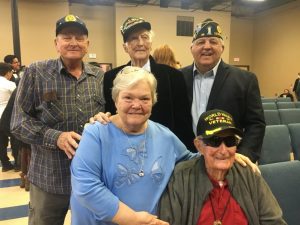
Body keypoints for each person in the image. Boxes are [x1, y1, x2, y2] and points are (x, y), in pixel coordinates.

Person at [71, 67, 258, 225]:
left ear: (153, 101)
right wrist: (134, 219)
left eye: (144, 98)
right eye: (128, 97)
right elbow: (86, 187)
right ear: (115, 100)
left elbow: (191, 160)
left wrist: (225, 153)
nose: (137, 105)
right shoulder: (96, 133)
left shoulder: (164, 135)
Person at [11, 14, 105, 225]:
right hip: (49, 180)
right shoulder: (36, 73)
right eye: (66, 37)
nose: (73, 42)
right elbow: (18, 122)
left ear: (87, 44)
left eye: (80, 37)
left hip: (91, 179)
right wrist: (56, 137)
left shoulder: (99, 77)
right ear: (56, 43)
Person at [159, 109, 287, 225]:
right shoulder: (181, 177)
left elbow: (274, 221)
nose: (224, 150)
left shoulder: (248, 173)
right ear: (199, 146)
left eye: (230, 141)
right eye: (215, 141)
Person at [103, 17, 195, 151]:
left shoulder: (173, 76)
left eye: (145, 37)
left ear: (151, 43)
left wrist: (185, 157)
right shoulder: (111, 77)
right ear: (125, 47)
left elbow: (183, 122)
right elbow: (110, 117)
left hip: (164, 150)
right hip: (125, 149)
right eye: (134, 38)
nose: (140, 43)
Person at [181, 18, 265, 162]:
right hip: (186, 160)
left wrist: (244, 155)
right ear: (191, 48)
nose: (207, 47)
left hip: (227, 159)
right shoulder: (178, 78)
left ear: (222, 48)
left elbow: (256, 124)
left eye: (213, 41)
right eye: (201, 42)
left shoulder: (245, 79)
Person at [0, 62, 16, 172]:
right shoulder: (10, 84)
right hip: (7, 115)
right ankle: (19, 163)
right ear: (8, 73)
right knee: (15, 139)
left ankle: (5, 164)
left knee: (1, 142)